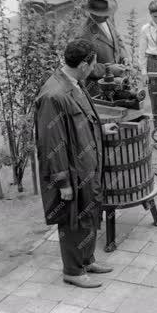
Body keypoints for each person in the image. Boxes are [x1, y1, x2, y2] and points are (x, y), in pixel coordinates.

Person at [34, 39, 119, 288]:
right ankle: (72, 270)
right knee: (72, 219)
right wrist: (62, 182)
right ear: (83, 65)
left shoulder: (73, 83)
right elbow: (51, 142)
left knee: (89, 214)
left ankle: (86, 259)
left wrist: (102, 129)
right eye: (92, 64)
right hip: (71, 171)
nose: (94, 69)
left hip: (87, 167)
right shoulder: (53, 95)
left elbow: (81, 122)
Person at [76, 0, 129, 95]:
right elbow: (84, 67)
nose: (107, 16)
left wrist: (124, 56)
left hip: (118, 83)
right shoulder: (84, 35)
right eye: (103, 14)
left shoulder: (106, 20)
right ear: (92, 13)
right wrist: (109, 69)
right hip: (99, 89)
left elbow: (118, 40)